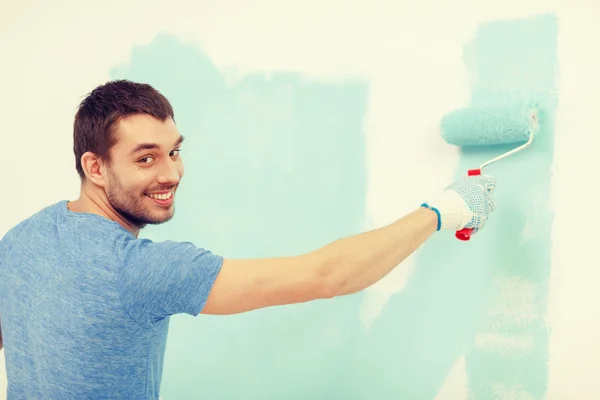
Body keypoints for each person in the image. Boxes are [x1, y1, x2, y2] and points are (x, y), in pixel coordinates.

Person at [0, 80, 497, 399]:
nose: (171, 173)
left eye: (175, 151)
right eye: (146, 158)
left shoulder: (19, 241)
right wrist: (445, 210)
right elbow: (327, 275)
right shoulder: (140, 269)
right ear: (95, 166)